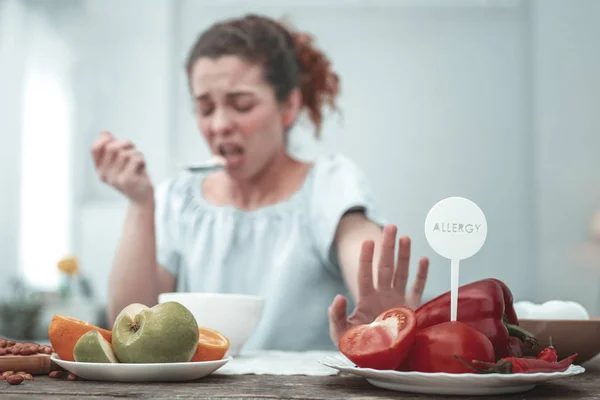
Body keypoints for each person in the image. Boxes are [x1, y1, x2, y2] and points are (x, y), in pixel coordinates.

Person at [91, 14, 430, 351]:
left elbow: (363, 253)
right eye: (206, 109)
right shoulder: (177, 199)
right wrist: (139, 202)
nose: (220, 124)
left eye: (242, 105)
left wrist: (382, 314)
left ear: (289, 106)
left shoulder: (329, 184)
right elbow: (130, 328)